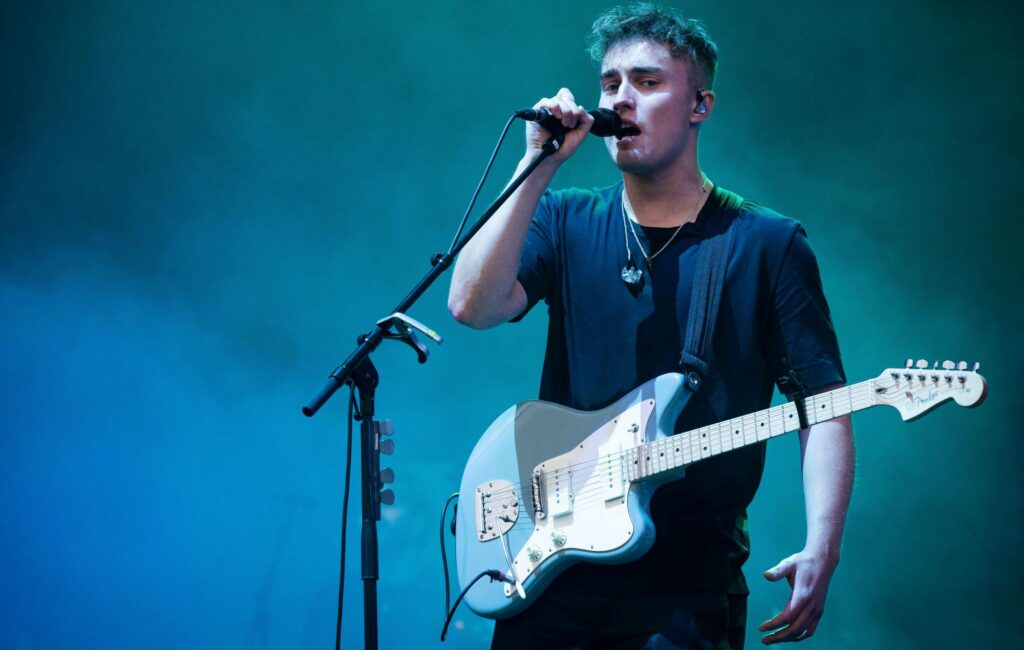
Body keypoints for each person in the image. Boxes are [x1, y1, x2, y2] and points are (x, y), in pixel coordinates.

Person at [448, 4, 854, 648]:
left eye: (647, 81)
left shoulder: (767, 243)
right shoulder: (565, 218)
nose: (621, 100)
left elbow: (823, 407)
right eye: (610, 84)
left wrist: (821, 547)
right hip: (551, 569)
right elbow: (472, 306)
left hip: (686, 586)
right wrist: (539, 164)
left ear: (700, 105)